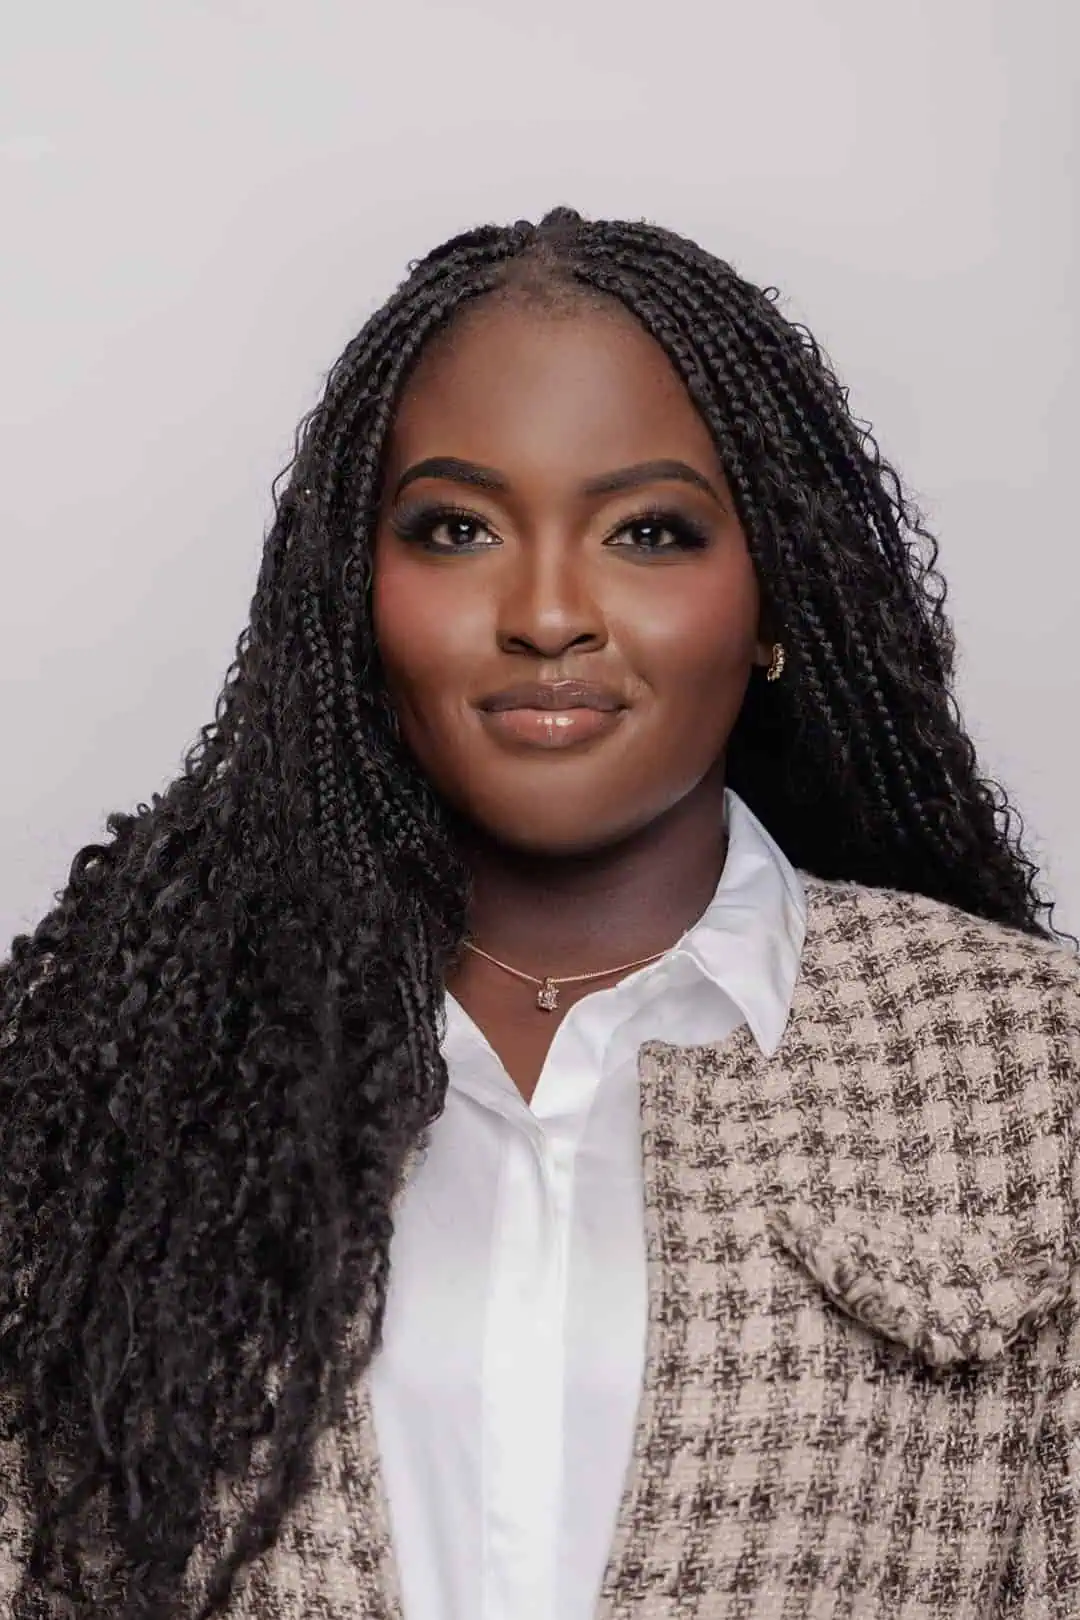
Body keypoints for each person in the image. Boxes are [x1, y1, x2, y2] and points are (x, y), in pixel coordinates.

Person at [0, 207, 1077, 1620]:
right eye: (456, 529)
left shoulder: (1033, 1074)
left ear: (772, 600)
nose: (549, 612)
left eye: (648, 531)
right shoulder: (102, 1082)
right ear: (352, 599)